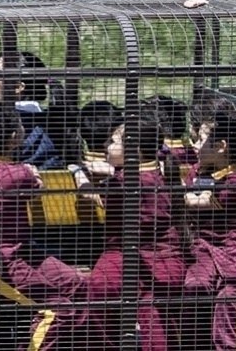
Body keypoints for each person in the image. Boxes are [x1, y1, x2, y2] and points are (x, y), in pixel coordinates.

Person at [0, 108, 86, 350]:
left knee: (79, 285)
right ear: (15, 136)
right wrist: (27, 172)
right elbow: (34, 184)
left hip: (25, 252)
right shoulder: (17, 173)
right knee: (58, 309)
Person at [83, 111, 186, 351]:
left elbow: (93, 196)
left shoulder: (124, 182)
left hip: (130, 264)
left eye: (114, 141)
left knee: (96, 293)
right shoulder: (161, 171)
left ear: (135, 150)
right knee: (155, 322)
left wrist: (80, 175)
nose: (107, 146)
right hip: (168, 263)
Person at [182, 109, 236, 351]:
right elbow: (190, 195)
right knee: (194, 287)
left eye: (203, 141)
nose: (197, 146)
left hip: (235, 253)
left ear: (221, 146)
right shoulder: (198, 172)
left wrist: (183, 194)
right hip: (203, 249)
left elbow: (195, 201)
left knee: (228, 300)